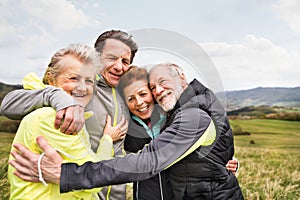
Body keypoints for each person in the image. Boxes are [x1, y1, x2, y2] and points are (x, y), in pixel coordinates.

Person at [8, 62, 244, 199]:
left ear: (181, 76)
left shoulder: (190, 116)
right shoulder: (153, 120)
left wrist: (68, 174)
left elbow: (149, 161)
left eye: (160, 84)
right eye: (153, 87)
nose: (157, 91)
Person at [2, 30, 138, 200]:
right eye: (112, 58)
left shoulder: (126, 94)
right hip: (81, 187)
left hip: (111, 192)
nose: (119, 66)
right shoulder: (79, 93)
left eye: (125, 61)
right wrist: (54, 95)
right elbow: (8, 105)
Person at [118, 66, 173, 200]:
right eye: (131, 99)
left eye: (143, 94)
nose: (139, 102)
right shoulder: (126, 127)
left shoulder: (172, 118)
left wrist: (224, 161)